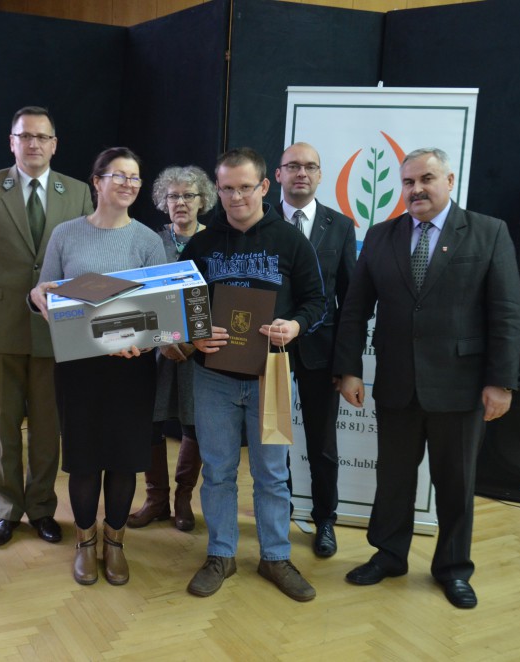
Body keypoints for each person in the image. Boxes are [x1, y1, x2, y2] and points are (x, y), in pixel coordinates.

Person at [333, 147, 520, 609]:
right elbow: (355, 310)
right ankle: (389, 555)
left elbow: (506, 313)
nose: (416, 189)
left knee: (455, 483)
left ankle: (453, 569)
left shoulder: (488, 232)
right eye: (408, 182)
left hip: (460, 386)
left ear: (449, 181)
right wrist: (349, 369)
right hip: (396, 383)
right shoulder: (380, 236)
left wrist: (501, 382)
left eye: (426, 179)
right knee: (393, 479)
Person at [181, 148, 327, 602]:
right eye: (227, 188)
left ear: (265, 186)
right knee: (218, 471)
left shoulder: (291, 241)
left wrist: (295, 326)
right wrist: (195, 336)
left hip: (271, 375)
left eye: (245, 187)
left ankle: (276, 556)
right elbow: (182, 307)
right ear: (217, 190)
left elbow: (317, 302)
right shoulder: (200, 245)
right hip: (213, 377)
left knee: (272, 474)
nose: (236, 197)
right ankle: (221, 554)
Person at [0, 106, 93, 548]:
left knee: (48, 428)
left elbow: (86, 261)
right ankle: (6, 510)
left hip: (58, 329)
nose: (34, 144)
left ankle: (41, 508)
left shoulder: (77, 193)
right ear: (11, 142)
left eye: (42, 137)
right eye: (25, 136)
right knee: (3, 424)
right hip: (1, 329)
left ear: (54, 145)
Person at [29, 147, 167, 586]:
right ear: (97, 181)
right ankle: (86, 543)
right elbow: (46, 293)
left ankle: (116, 543)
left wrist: (137, 341)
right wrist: (39, 297)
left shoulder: (148, 240)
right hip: (80, 367)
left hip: (132, 367)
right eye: (119, 176)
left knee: (125, 460)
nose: (128, 184)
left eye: (135, 178)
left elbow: (161, 309)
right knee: (85, 459)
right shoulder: (66, 234)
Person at [274, 142, 357, 558]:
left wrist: (348, 362)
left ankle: (326, 520)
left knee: (322, 444)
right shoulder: (260, 221)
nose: (301, 173)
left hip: (322, 351)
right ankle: (279, 515)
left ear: (321, 175)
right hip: (269, 348)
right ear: (278, 175)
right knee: (274, 440)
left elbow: (350, 300)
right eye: (293, 166)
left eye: (309, 166)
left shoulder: (340, 226)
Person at [127, 165, 217, 532]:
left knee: (194, 422)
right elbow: (137, 296)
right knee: (151, 420)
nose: (181, 202)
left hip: (201, 349)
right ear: (163, 202)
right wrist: (163, 339)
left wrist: (193, 341)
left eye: (188, 195)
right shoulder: (150, 241)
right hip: (156, 349)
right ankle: (156, 499)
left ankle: (183, 499)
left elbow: (221, 294)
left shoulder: (217, 241)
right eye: (173, 196)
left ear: (202, 200)